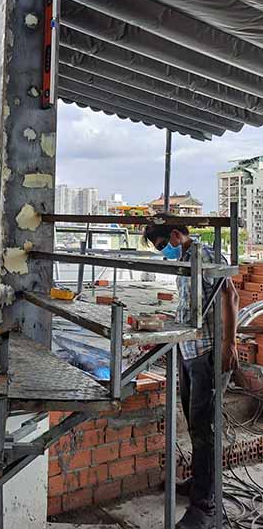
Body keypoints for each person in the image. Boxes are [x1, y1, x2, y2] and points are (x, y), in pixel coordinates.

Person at [143, 218, 238, 529]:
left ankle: (206, 506)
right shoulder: (184, 259)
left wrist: (228, 345)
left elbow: (230, 297)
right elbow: (190, 304)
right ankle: (200, 484)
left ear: (174, 235)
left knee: (204, 428)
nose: (163, 253)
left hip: (208, 353)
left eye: (162, 246)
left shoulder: (207, 256)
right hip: (189, 352)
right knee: (194, 422)